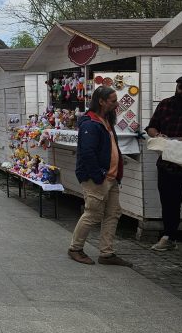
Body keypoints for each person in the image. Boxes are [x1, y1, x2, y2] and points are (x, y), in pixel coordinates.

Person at [67, 86, 131, 267]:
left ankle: (107, 253)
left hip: (110, 177)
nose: (116, 104)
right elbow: (87, 153)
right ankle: (75, 249)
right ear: (101, 102)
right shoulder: (90, 123)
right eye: (113, 100)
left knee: (113, 213)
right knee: (93, 213)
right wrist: (98, 176)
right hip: (99, 178)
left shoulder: (105, 121)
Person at [146, 75, 182, 252]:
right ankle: (169, 237)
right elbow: (152, 126)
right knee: (169, 203)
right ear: (176, 87)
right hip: (168, 163)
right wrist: (157, 136)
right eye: (181, 87)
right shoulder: (165, 104)